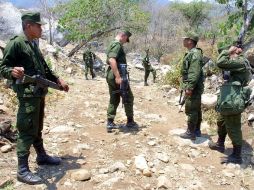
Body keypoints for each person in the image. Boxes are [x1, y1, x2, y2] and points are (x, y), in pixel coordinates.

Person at [0, 12, 69, 185]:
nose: (41, 28)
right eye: (39, 25)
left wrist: (57, 80)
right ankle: (22, 170)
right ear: (29, 26)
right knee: (26, 128)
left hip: (38, 93)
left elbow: (44, 69)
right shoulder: (16, 43)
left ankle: (41, 156)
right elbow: (3, 67)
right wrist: (12, 72)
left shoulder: (33, 44)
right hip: (27, 95)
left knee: (37, 125)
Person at [209, 45, 252, 164]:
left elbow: (221, 62)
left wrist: (227, 52)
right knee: (221, 121)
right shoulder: (238, 61)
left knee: (233, 126)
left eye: (229, 54)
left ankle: (237, 156)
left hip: (234, 99)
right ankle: (220, 144)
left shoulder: (240, 61)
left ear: (233, 52)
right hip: (229, 98)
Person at [105, 30, 136, 133]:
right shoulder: (117, 45)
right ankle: (130, 122)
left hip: (111, 74)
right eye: (125, 39)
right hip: (117, 75)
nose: (125, 42)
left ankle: (110, 122)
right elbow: (112, 60)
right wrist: (118, 76)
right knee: (128, 97)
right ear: (123, 36)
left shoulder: (112, 44)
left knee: (114, 97)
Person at [179, 32, 204, 141]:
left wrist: (190, 87)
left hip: (193, 86)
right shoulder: (193, 53)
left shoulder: (194, 54)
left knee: (191, 108)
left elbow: (194, 72)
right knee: (196, 108)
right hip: (194, 85)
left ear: (190, 41)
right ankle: (197, 130)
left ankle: (191, 132)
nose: (183, 41)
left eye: (185, 39)